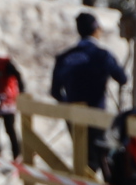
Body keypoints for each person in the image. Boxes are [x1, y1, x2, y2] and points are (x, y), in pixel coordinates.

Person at [51, 12, 128, 173]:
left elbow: (55, 91)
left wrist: (69, 103)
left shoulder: (64, 57)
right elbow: (122, 78)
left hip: (73, 115)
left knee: (82, 158)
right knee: (101, 159)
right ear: (95, 30)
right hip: (96, 115)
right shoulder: (102, 55)